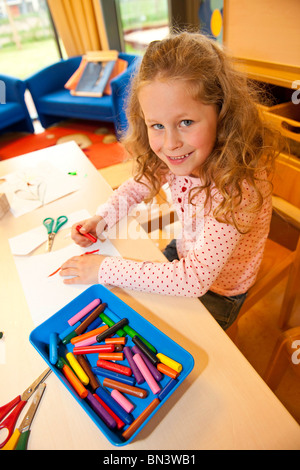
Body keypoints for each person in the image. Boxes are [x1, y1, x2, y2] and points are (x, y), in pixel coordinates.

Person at [60, 31, 282, 330]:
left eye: (186, 122)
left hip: (220, 289)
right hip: (186, 251)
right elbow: (135, 187)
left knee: (150, 335)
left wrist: (104, 268)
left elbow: (192, 281)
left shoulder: (238, 187)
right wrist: (102, 218)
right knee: (122, 311)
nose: (170, 143)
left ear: (223, 113)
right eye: (157, 125)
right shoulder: (181, 152)